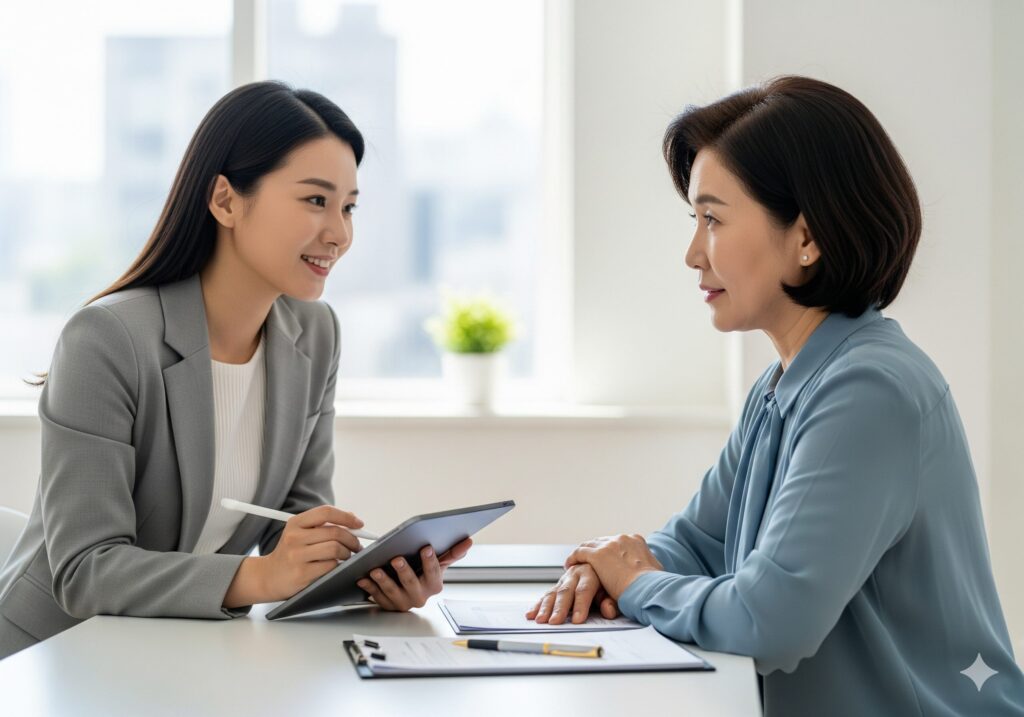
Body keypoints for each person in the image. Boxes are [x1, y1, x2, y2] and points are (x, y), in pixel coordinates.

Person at [527, 76, 1024, 715]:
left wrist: (638, 583)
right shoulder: (788, 382)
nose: (691, 253)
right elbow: (698, 543)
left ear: (807, 240)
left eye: (712, 219)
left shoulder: (867, 391)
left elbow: (769, 622)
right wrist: (607, 569)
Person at [0, 81, 470, 661]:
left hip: (182, 652)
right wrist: (262, 579)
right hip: (53, 658)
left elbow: (292, 524)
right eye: (315, 201)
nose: (340, 233)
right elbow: (84, 571)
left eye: (348, 206)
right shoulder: (108, 338)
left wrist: (365, 578)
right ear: (225, 200)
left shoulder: (315, 334)